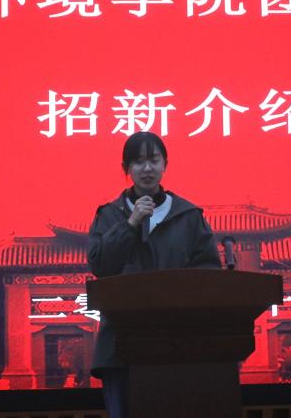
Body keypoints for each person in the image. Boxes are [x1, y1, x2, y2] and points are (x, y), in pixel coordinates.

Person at [87, 131, 221, 418]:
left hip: (178, 344)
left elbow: (209, 272)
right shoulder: (109, 215)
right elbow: (100, 265)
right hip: (121, 345)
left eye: (153, 160)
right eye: (138, 162)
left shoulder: (188, 216)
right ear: (126, 169)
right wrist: (131, 223)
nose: (147, 168)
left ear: (165, 164)